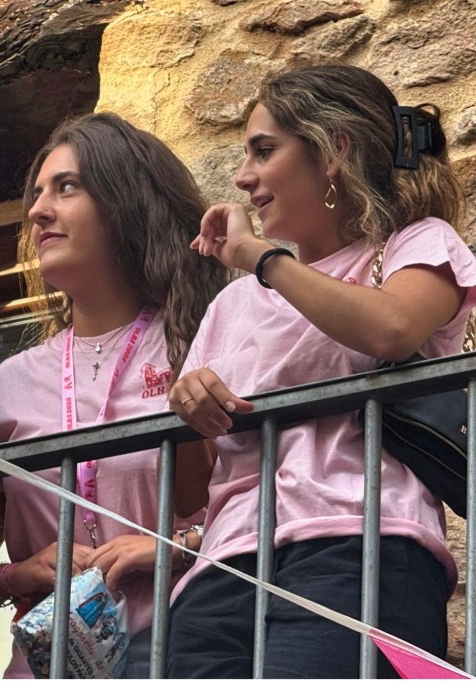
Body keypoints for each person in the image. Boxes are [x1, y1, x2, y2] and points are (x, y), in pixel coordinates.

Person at [166, 63, 476, 678]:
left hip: (360, 545)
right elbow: (187, 495)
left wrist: (259, 256)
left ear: (333, 152)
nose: (243, 176)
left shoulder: (416, 244)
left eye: (264, 151)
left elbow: (392, 328)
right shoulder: (231, 304)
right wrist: (188, 405)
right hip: (222, 568)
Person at [0, 112, 228, 677]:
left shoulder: (207, 339)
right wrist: (19, 574)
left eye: (66, 187)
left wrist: (176, 546)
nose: (38, 210)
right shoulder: (5, 387)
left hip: (184, 653)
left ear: (125, 202)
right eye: (37, 193)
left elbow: (279, 512)